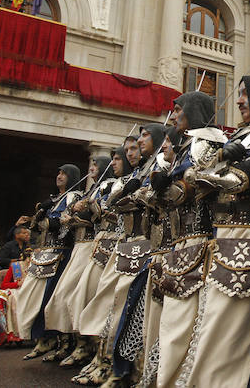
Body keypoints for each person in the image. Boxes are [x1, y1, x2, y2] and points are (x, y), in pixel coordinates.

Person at [178, 75, 250, 387]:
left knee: (234, 327)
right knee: (212, 321)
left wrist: (220, 171)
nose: (239, 101)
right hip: (223, 236)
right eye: (238, 94)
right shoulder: (239, 136)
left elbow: (241, 180)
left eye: (245, 94)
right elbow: (199, 178)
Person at [150, 92, 220, 388]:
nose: (174, 115)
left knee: (185, 321)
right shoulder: (186, 145)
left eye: (178, 109)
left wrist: (164, 190)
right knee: (173, 321)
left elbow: (186, 190)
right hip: (180, 241)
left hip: (198, 240)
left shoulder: (203, 143)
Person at [72, 137, 144, 385]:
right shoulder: (115, 183)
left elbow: (115, 212)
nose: (115, 162)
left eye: (120, 156)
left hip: (137, 245)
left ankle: (120, 367)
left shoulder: (145, 174)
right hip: (117, 244)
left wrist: (97, 208)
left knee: (116, 304)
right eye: (119, 155)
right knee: (101, 301)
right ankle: (99, 358)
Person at [103, 123, 171, 387]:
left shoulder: (163, 164)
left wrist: (137, 194)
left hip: (156, 244)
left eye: (144, 136)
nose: (140, 143)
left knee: (145, 311)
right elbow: (114, 203)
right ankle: (118, 366)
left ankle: (142, 372)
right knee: (123, 304)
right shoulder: (143, 169)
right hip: (139, 243)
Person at [61, 146, 132, 369]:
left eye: (116, 159)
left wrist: (91, 207)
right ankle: (83, 347)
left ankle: (101, 354)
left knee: (98, 299)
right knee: (78, 296)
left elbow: (113, 213)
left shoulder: (116, 184)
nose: (112, 164)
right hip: (97, 243)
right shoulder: (99, 188)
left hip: (113, 242)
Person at [43, 156, 114, 362]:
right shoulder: (89, 191)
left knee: (80, 296)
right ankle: (67, 343)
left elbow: (102, 215)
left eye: (95, 165)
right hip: (80, 247)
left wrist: (79, 214)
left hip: (94, 246)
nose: (91, 168)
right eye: (90, 165)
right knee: (64, 295)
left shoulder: (108, 187)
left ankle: (86, 346)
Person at [14, 164, 82, 360]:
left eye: (63, 173)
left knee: (53, 299)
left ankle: (60, 343)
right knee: (30, 296)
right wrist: (38, 216)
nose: (59, 176)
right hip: (43, 253)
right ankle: (44, 339)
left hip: (61, 253)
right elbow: (37, 226)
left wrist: (43, 219)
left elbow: (60, 223)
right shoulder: (52, 200)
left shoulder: (74, 198)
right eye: (58, 173)